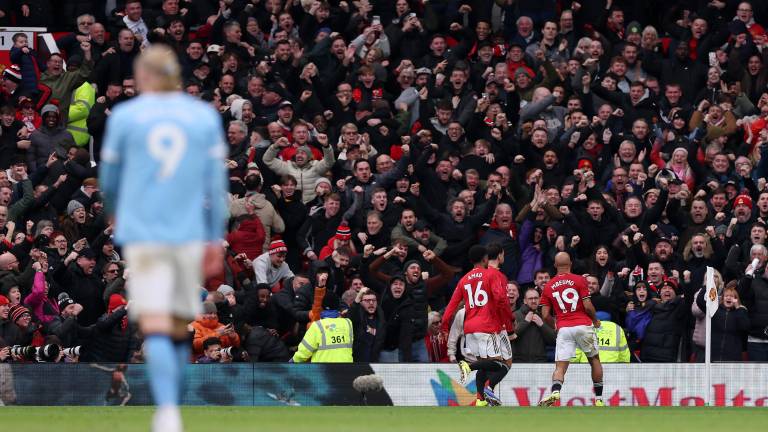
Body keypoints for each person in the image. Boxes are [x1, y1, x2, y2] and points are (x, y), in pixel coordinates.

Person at [98, 45, 226, 432]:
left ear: (142, 77)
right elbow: (216, 181)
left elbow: (108, 178)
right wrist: (214, 238)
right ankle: (172, 407)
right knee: (177, 327)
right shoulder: (203, 116)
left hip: (146, 234)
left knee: (154, 326)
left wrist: (116, 214)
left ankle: (166, 411)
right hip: (187, 233)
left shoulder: (125, 115)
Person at [441, 245, 513, 406]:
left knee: (485, 365)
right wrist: (509, 318)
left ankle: (480, 399)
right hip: (487, 326)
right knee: (498, 363)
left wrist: (444, 326)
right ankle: (468, 366)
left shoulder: (463, 280)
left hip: (469, 328)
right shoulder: (491, 275)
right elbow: (500, 299)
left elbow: (451, 306)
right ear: (485, 259)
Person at [539, 252, 604, 407]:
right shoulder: (580, 280)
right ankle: (599, 399)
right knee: (594, 359)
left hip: (564, 328)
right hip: (583, 325)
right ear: (571, 264)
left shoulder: (548, 286)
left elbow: (545, 315)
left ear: (555, 266)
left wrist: (555, 324)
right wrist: (595, 320)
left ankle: (555, 391)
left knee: (560, 366)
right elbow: (588, 306)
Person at [292, 291, 353, 363]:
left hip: (324, 370)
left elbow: (304, 352)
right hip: (346, 369)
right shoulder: (348, 323)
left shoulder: (317, 326)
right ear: (338, 306)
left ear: (322, 306)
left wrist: (293, 361)